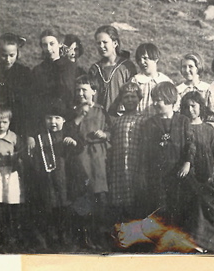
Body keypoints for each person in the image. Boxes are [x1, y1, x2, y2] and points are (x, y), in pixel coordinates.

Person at [140, 82, 195, 224]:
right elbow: (145, 150)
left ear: (169, 99)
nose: (155, 103)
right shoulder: (149, 123)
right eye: (154, 100)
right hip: (157, 174)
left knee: (178, 206)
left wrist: (187, 163)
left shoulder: (183, 121)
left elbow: (190, 144)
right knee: (159, 208)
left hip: (178, 172)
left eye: (159, 100)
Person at [30, 98, 79, 251]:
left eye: (57, 118)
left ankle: (65, 238)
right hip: (48, 180)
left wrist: (74, 142)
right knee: (49, 208)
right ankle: (52, 239)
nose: (53, 122)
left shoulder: (68, 134)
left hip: (64, 179)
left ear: (64, 119)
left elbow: (80, 147)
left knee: (64, 209)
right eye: (49, 118)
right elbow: (36, 158)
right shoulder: (39, 137)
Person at [68, 75, 111, 249]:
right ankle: (84, 238)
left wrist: (105, 135)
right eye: (77, 90)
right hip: (81, 157)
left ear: (94, 91)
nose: (80, 93)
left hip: (98, 158)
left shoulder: (101, 111)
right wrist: (79, 116)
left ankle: (99, 236)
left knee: (99, 196)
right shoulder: (72, 111)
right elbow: (69, 132)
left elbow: (110, 131)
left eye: (84, 90)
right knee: (83, 197)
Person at [108, 83, 145, 221]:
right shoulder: (117, 121)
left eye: (133, 97)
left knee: (136, 202)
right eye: (126, 97)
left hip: (136, 166)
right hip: (119, 167)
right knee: (120, 204)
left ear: (139, 98)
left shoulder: (144, 119)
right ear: (122, 100)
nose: (130, 100)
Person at [0, 105, 25, 253]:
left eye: (4, 122)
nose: (0, 125)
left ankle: (14, 236)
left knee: (11, 201)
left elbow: (21, 154)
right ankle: (0, 236)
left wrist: (16, 158)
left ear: (9, 122)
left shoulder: (14, 137)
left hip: (10, 174)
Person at [31, 29, 77, 127]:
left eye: (52, 44)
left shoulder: (71, 67)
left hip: (67, 119)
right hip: (46, 120)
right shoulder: (38, 70)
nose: (48, 48)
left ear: (60, 44)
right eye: (44, 45)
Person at [89, 25, 136, 114]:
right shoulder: (95, 69)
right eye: (98, 43)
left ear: (115, 43)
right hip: (99, 118)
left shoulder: (126, 67)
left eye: (105, 42)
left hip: (120, 117)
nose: (101, 46)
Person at [0, 33, 32, 139]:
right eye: (4, 55)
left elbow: (29, 101)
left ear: (17, 54)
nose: (8, 59)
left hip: (18, 119)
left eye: (11, 55)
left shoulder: (24, 73)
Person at [121, 42, 172, 116]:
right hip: (138, 122)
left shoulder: (165, 81)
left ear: (155, 59)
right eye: (139, 59)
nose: (141, 62)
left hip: (160, 123)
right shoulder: (135, 81)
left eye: (145, 58)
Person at [180, 91, 214, 183]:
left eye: (193, 106)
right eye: (187, 107)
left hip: (206, 171)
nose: (190, 110)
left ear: (200, 107)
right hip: (188, 173)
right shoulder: (181, 128)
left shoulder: (209, 129)